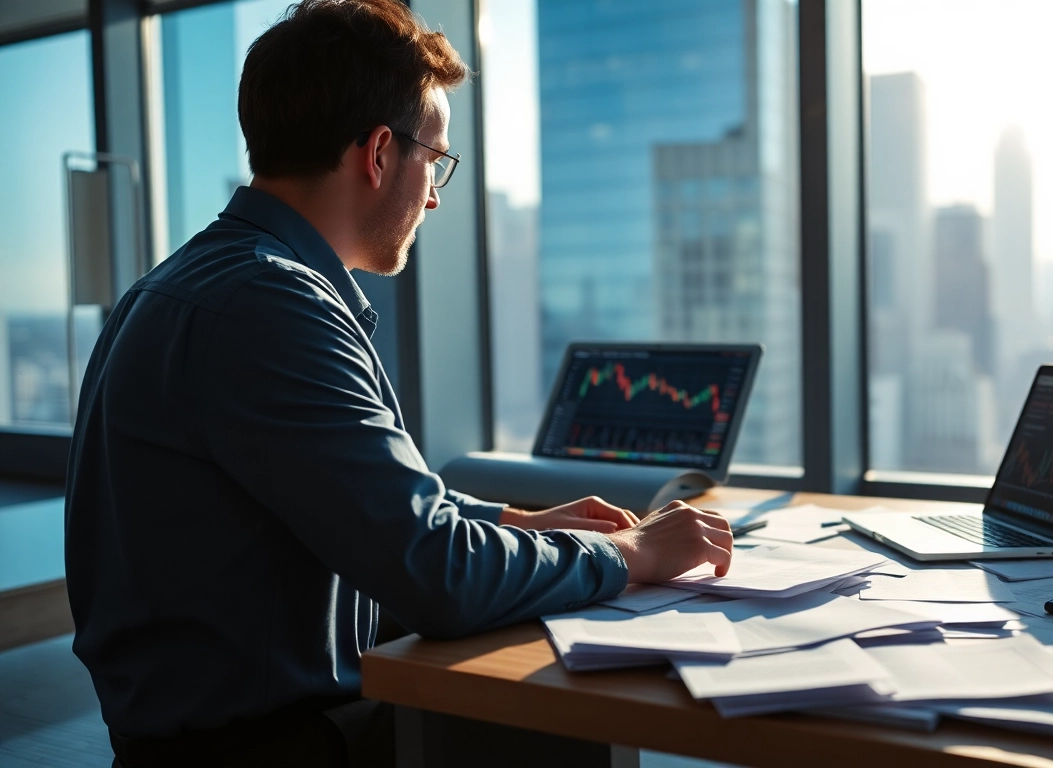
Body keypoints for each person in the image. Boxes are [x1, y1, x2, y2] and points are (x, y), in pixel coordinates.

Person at [63, 1, 733, 765]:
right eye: (436, 160)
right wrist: (633, 557)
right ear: (380, 152)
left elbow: (366, 506)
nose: (437, 195)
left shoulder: (193, 284)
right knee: (554, 717)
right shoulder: (270, 307)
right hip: (275, 746)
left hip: (208, 729)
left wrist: (521, 523)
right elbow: (434, 575)